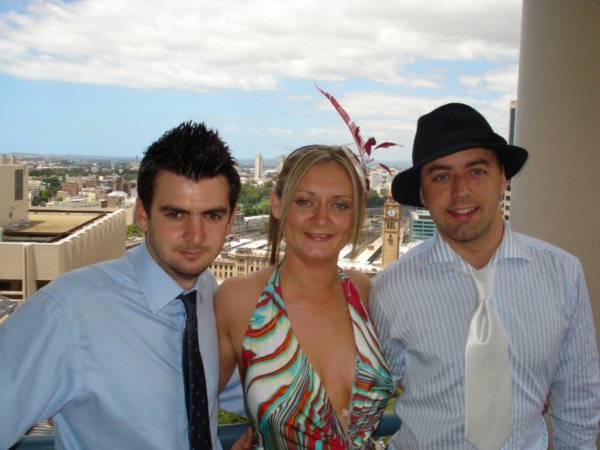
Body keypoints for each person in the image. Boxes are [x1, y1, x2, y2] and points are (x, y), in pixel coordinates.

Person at [370, 103, 600, 449]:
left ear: (503, 178)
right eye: (441, 176)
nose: (461, 191)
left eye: (477, 171)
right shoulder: (391, 288)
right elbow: (373, 394)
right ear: (422, 193)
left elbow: (579, 405)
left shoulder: (563, 275)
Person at [0, 121, 242, 449]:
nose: (195, 236)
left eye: (211, 216)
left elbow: (239, 389)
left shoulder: (210, 296)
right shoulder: (67, 314)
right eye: (176, 215)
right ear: (142, 214)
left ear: (230, 220)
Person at [215, 145, 393, 449]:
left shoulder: (363, 290)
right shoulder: (239, 300)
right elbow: (185, 408)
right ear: (276, 203)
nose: (321, 218)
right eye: (304, 201)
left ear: (354, 215)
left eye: (339, 205)